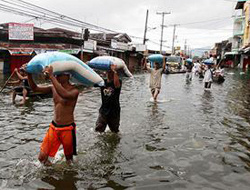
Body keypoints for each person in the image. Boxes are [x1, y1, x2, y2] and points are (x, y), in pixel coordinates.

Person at [24, 64, 79, 165]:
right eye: (56, 74)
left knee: (69, 161)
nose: (57, 76)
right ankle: (52, 174)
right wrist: (29, 74)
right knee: (42, 158)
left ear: (68, 76)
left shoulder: (74, 90)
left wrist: (51, 76)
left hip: (67, 129)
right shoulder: (53, 88)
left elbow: (65, 95)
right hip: (53, 127)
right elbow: (35, 88)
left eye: (59, 74)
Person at [95, 64, 122, 133]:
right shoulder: (102, 82)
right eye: (108, 72)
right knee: (98, 130)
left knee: (114, 131)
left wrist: (114, 71)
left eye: (111, 72)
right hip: (104, 110)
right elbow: (92, 83)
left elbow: (116, 85)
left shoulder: (118, 81)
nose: (109, 73)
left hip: (114, 111)